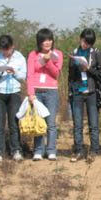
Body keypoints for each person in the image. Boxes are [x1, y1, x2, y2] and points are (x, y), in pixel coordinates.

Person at [0, 35, 27, 162]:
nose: (5, 52)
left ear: (12, 46)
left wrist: (15, 73)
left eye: (7, 49)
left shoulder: (19, 57)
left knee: (14, 123)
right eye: (2, 50)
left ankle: (16, 150)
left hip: (14, 92)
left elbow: (23, 76)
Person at [68, 28, 101, 162]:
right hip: (77, 92)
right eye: (83, 41)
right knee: (77, 123)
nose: (84, 44)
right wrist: (70, 92)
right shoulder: (74, 53)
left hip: (91, 92)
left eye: (88, 43)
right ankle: (78, 150)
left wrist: (89, 69)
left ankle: (94, 150)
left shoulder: (96, 53)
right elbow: (70, 75)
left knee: (93, 124)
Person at [27, 28, 63, 161]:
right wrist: (30, 93)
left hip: (51, 91)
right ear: (39, 42)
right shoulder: (33, 54)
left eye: (49, 40)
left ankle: (51, 150)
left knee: (51, 122)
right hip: (37, 91)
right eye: (44, 41)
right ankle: (38, 150)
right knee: (38, 122)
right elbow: (31, 73)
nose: (47, 43)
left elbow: (56, 73)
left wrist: (48, 62)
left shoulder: (57, 54)